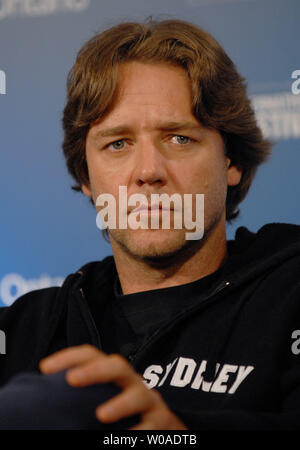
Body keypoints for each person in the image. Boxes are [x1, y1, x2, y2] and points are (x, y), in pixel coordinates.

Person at [0, 17, 299, 430]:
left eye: (179, 138)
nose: (148, 171)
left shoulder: (289, 290)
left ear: (231, 161)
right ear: (86, 176)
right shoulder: (26, 329)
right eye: (117, 143)